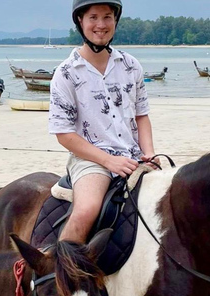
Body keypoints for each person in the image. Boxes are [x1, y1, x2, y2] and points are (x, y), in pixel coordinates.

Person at [49, 0, 158, 244]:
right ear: (80, 21)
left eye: (107, 17)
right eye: (93, 17)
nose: (101, 24)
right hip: (91, 161)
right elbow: (64, 134)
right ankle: (62, 273)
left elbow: (141, 115)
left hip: (133, 155)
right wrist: (109, 160)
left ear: (116, 21)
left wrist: (149, 154)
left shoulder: (131, 65)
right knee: (86, 210)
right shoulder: (66, 73)